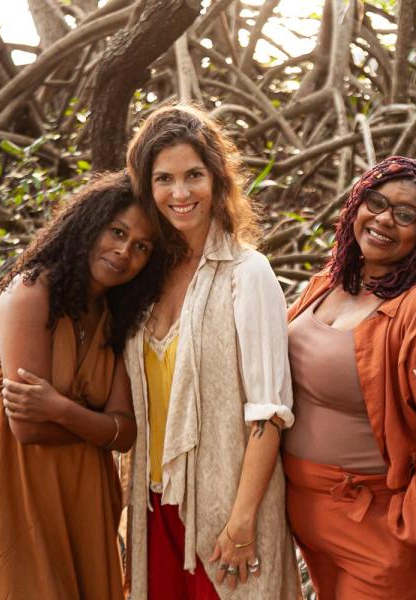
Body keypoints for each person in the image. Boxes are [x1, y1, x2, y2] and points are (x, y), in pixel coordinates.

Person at [0, 172, 168, 600]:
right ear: (89, 225)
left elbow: (126, 433)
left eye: (141, 247)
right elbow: (27, 429)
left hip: (83, 499)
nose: (124, 252)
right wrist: (96, 426)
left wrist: (60, 409)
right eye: (117, 232)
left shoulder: (116, 317)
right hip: (9, 492)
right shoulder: (32, 293)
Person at [282, 156, 416, 599]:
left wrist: (414, 522)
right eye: (375, 202)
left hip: (383, 533)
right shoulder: (327, 284)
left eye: (405, 214)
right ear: (356, 204)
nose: (384, 219)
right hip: (310, 522)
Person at [123, 104, 299, 600]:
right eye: (164, 179)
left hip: (227, 510)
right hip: (153, 505)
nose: (180, 194)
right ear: (146, 187)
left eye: (193, 175)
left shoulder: (249, 273)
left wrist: (242, 523)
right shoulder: (145, 277)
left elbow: (269, 412)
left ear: (217, 180)